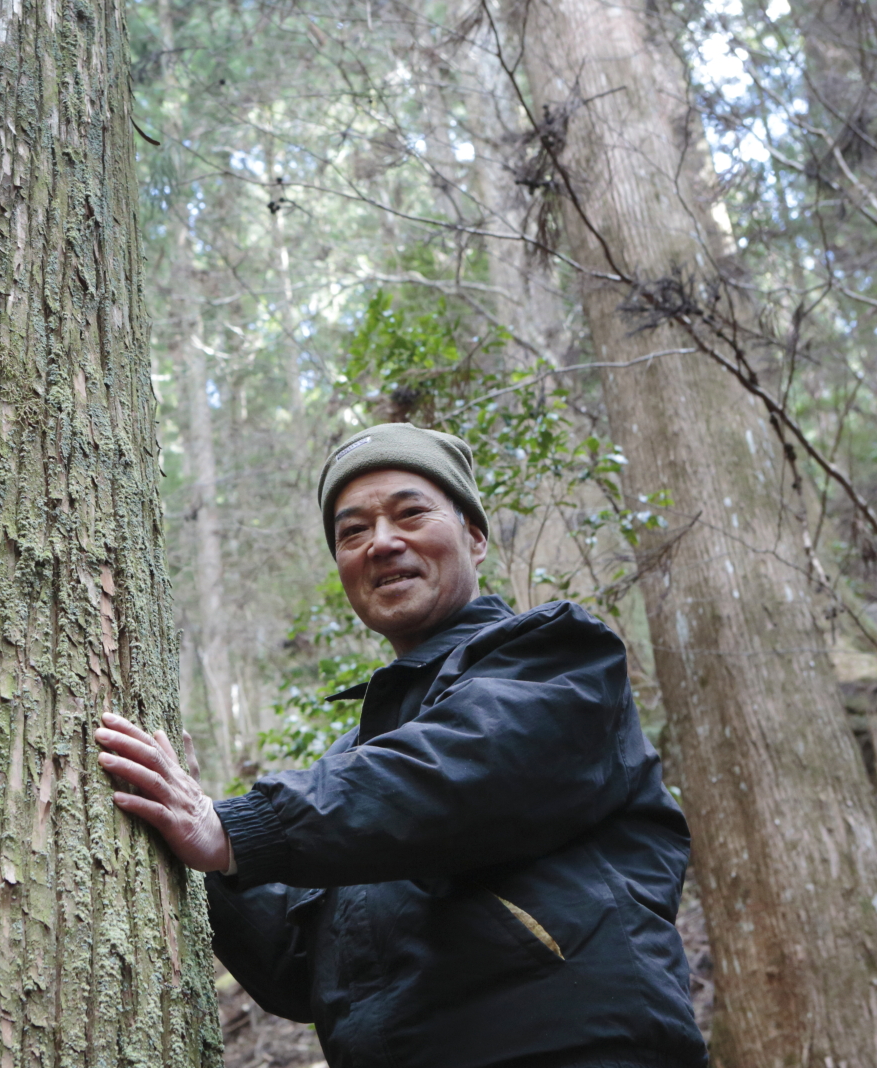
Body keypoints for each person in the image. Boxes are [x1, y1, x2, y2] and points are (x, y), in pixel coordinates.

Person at [94, 422, 707, 1068]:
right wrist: (187, 838)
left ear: (474, 537)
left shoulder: (559, 657)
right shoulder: (349, 766)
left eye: (410, 513)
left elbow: (460, 774)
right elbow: (298, 972)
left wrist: (238, 827)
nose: (382, 543)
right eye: (352, 532)